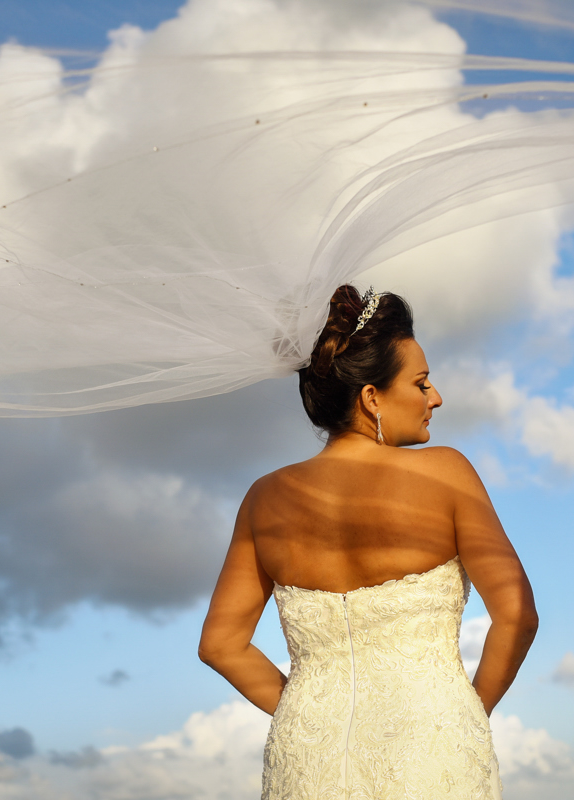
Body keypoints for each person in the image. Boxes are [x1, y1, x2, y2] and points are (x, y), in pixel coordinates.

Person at [198, 284, 538, 799]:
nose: (436, 397)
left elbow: (221, 646)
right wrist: (466, 713)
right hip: (431, 752)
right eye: (421, 383)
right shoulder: (446, 472)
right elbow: (517, 615)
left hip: (308, 761)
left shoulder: (262, 498)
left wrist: (308, 712)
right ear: (371, 396)